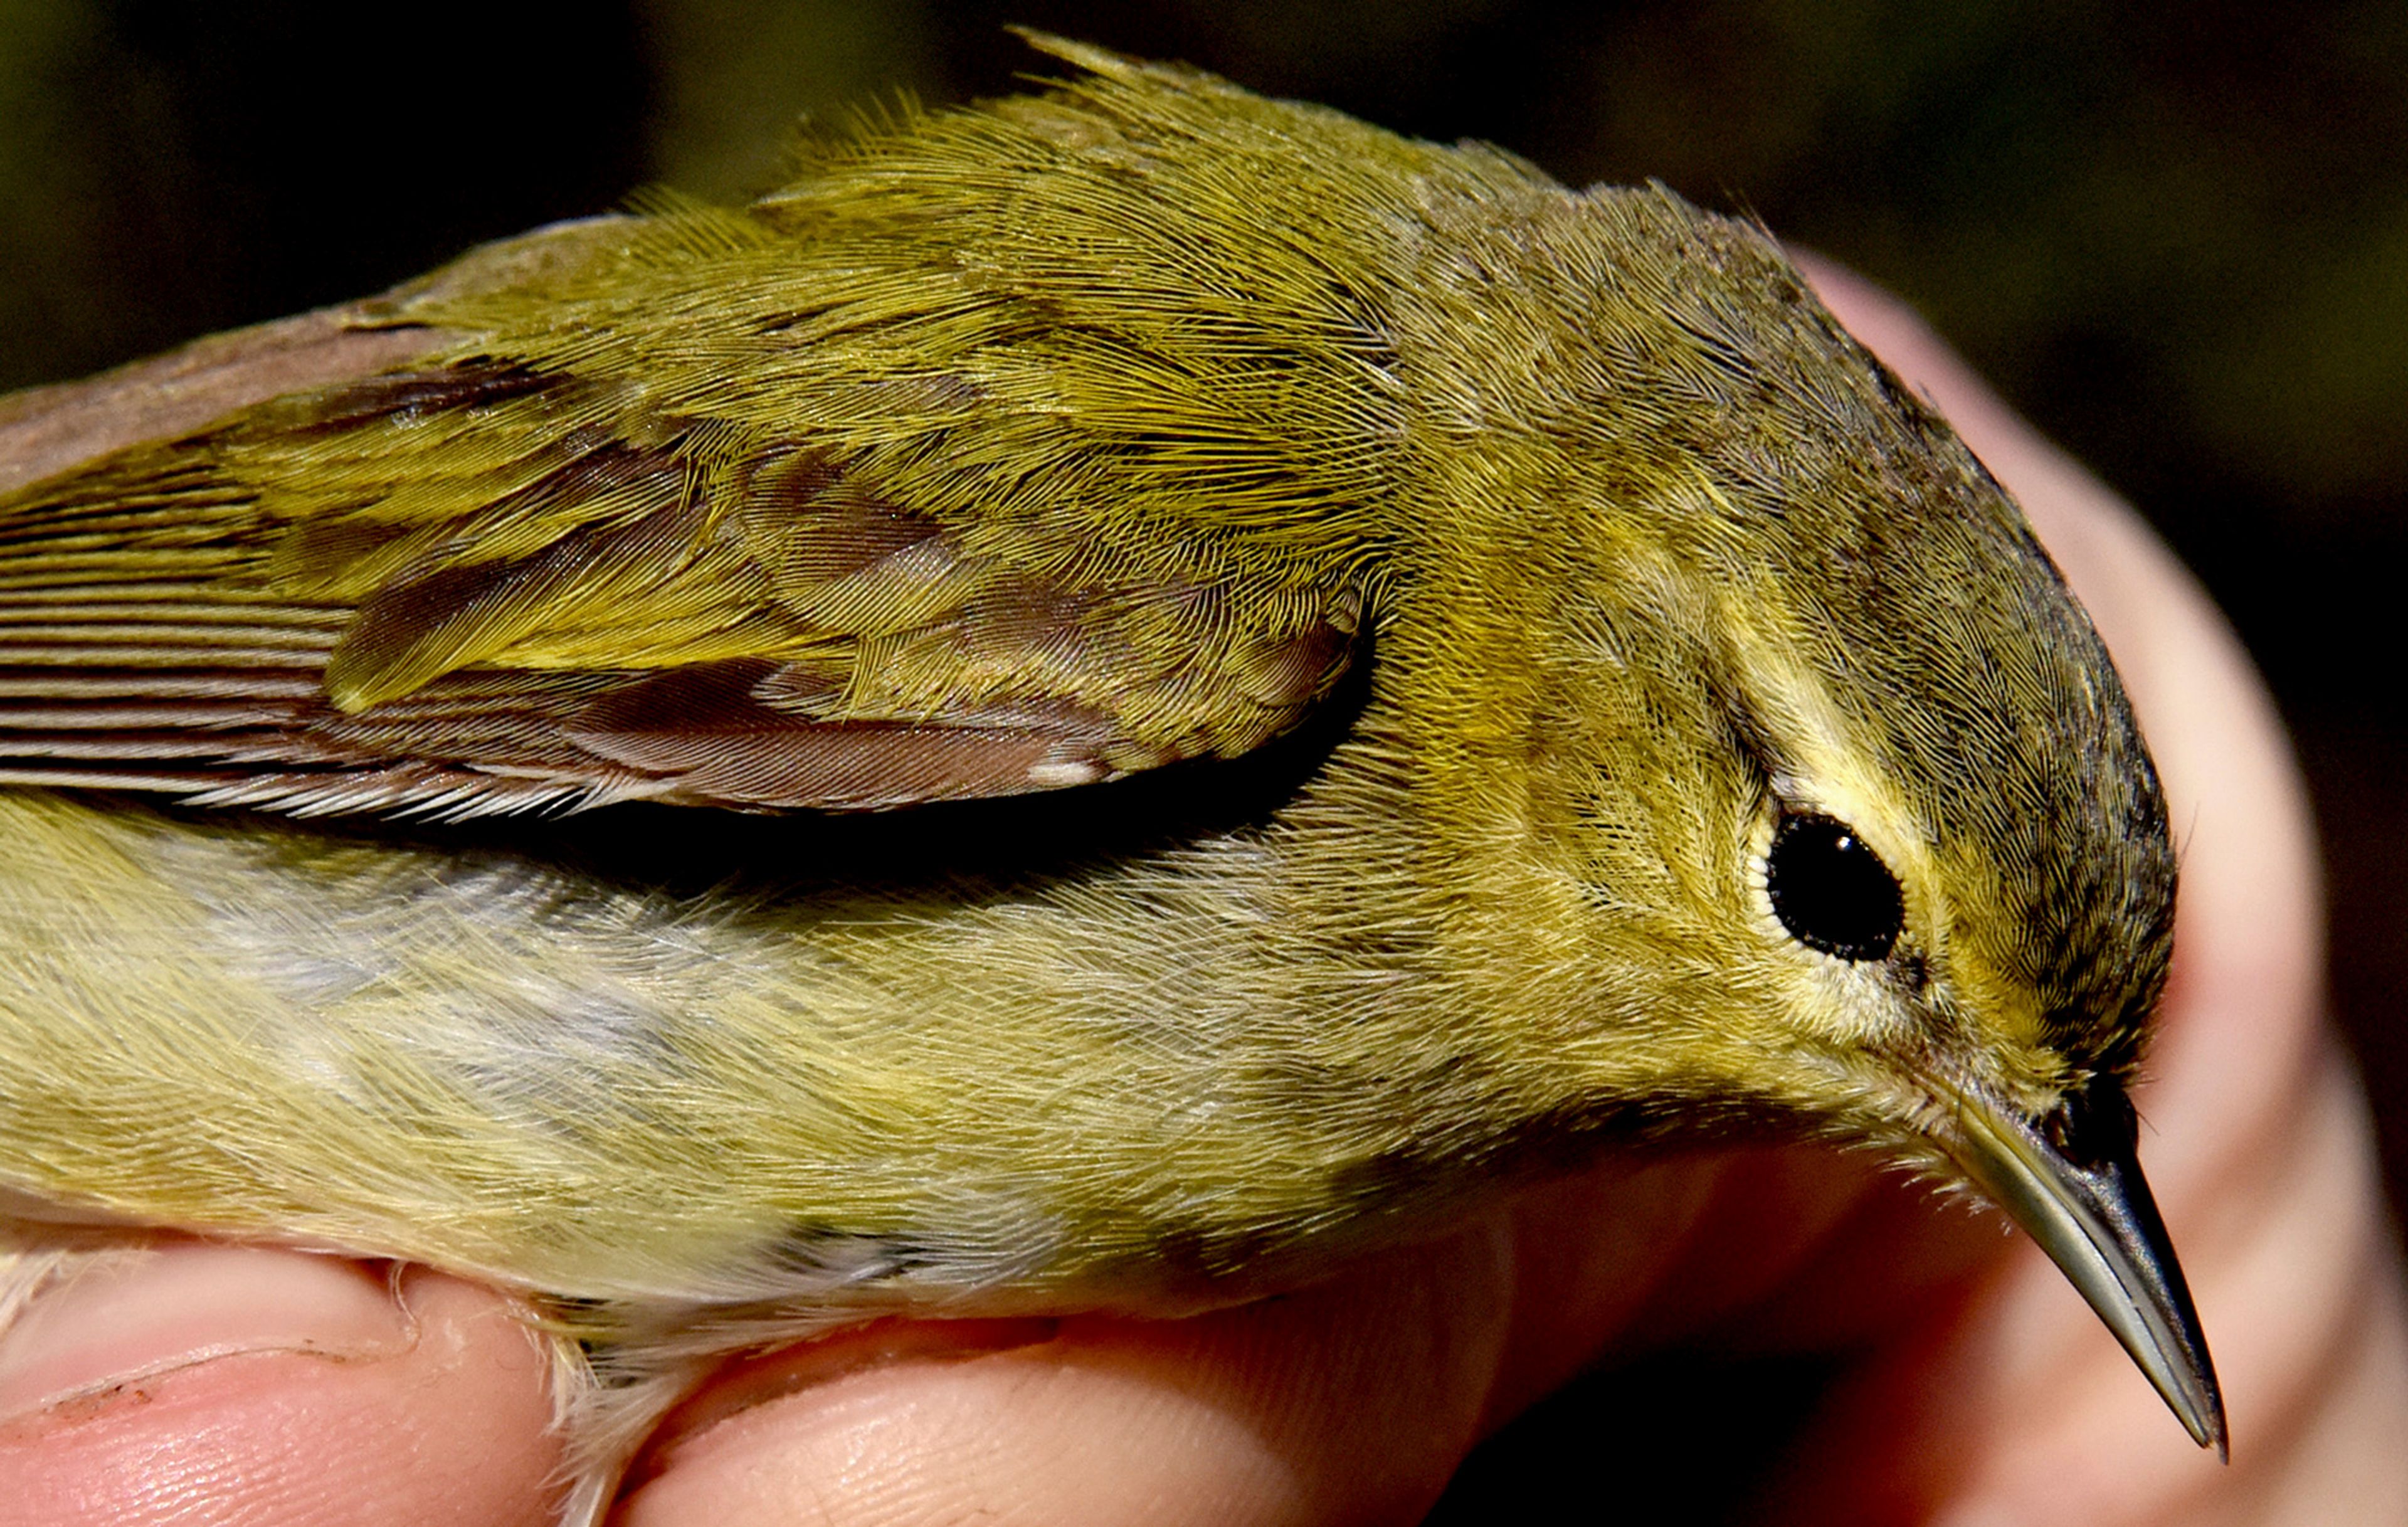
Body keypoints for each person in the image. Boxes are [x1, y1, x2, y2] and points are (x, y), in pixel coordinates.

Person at [0, 265, 2400, 1527]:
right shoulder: (1195, 582)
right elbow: (329, 596)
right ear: (1612, 677)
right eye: (1827, 888)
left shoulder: (1520, 1080)